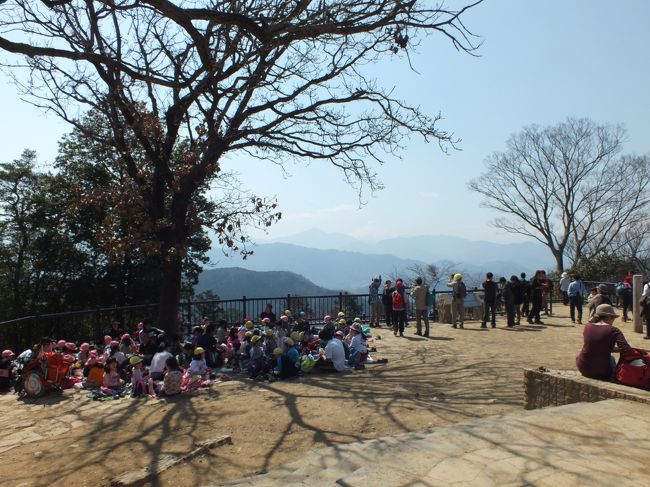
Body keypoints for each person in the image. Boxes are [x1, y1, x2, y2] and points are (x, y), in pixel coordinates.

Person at [576, 304, 631, 380]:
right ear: (608, 317)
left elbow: (595, 344)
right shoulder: (614, 330)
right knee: (611, 359)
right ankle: (614, 378)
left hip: (582, 367)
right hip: (601, 372)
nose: (613, 320)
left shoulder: (588, 326)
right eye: (613, 317)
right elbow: (626, 349)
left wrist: (611, 348)